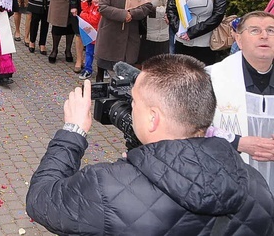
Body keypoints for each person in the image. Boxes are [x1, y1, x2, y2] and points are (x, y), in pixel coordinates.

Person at [26, 54, 274, 236]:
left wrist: (73, 130)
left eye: (134, 102)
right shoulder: (255, 183)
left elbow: (40, 199)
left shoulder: (106, 187)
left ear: (153, 118)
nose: (130, 108)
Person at [208, 11, 274, 195]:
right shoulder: (211, 78)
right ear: (238, 39)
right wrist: (238, 142)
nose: (264, 35)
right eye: (254, 30)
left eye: (271, 30)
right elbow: (192, 127)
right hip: (228, 183)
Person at [94, 0, 155, 82]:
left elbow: (147, 5)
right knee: (103, 63)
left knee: (127, 65)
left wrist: (132, 14)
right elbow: (103, 7)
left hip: (131, 31)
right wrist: (122, 14)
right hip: (110, 30)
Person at [78, 0, 102, 80]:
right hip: (90, 35)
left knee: (100, 54)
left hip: (99, 35)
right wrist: (84, 2)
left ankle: (103, 70)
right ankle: (88, 69)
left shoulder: (100, 8)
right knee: (88, 53)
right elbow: (85, 10)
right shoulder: (91, 6)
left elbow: (94, 19)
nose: (95, 0)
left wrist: (83, 15)